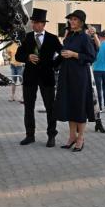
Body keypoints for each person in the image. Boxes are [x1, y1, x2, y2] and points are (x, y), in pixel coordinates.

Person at [16, 8, 63, 147]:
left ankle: (51, 135)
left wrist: (54, 65)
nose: (33, 25)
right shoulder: (27, 37)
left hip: (47, 77)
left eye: (36, 22)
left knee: (50, 107)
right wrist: (27, 57)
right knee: (28, 108)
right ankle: (30, 135)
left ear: (43, 24)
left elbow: (62, 53)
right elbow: (18, 56)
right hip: (30, 78)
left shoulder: (52, 38)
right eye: (33, 22)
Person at [54, 10, 96, 152]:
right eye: (71, 19)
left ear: (81, 22)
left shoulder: (85, 38)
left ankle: (81, 138)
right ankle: (72, 136)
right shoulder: (69, 37)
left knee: (79, 106)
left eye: (75, 20)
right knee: (70, 106)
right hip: (66, 75)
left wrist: (74, 54)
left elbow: (91, 57)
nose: (72, 22)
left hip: (79, 77)